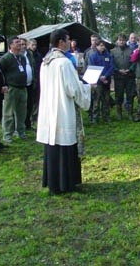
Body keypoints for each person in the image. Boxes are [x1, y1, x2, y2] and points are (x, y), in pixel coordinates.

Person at [36, 29, 91, 195]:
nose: (69, 43)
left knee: (54, 146)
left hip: (50, 109)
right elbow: (73, 89)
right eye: (67, 40)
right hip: (63, 109)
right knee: (66, 145)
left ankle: (54, 183)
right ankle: (66, 183)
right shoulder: (64, 63)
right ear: (60, 42)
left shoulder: (46, 61)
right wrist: (88, 88)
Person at [0, 36, 27, 143]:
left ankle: (20, 131)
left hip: (22, 88)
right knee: (8, 113)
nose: (20, 44)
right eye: (17, 42)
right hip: (11, 88)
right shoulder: (5, 58)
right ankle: (7, 135)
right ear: (10, 45)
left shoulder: (22, 58)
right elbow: (0, 73)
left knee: (22, 112)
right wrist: (4, 85)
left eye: (20, 42)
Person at [88, 40, 114, 123]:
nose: (102, 47)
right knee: (96, 100)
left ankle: (106, 117)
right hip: (98, 82)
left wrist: (106, 76)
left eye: (103, 45)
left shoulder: (109, 55)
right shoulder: (93, 56)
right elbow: (92, 68)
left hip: (107, 81)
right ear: (97, 46)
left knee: (106, 100)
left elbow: (111, 66)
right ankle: (95, 117)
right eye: (101, 45)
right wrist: (100, 78)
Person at [111, 34, 135, 120]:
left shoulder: (131, 50)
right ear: (117, 41)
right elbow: (111, 64)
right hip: (118, 77)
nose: (121, 41)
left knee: (130, 95)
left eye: (123, 40)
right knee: (119, 95)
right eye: (120, 40)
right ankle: (119, 113)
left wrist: (129, 69)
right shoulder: (113, 51)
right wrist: (118, 70)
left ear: (126, 41)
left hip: (129, 76)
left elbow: (134, 62)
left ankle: (130, 113)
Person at [20, 38, 36, 131]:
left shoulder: (29, 54)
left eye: (24, 44)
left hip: (30, 83)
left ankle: (28, 123)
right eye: (21, 44)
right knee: (22, 105)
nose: (23, 46)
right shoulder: (17, 55)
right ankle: (19, 125)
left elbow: (32, 66)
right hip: (21, 85)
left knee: (30, 104)